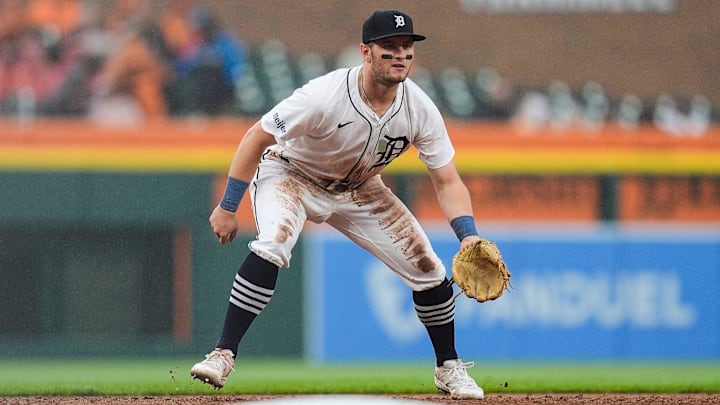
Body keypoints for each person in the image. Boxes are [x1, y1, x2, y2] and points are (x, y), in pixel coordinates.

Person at [190, 9, 486, 400]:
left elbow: (447, 180)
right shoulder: (324, 95)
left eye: (406, 48)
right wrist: (228, 206)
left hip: (361, 187)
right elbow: (255, 138)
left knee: (428, 269)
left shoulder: (419, 108)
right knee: (273, 243)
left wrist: (468, 236)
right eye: (388, 48)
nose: (400, 55)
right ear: (366, 52)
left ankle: (448, 367)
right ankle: (222, 354)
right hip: (292, 174)